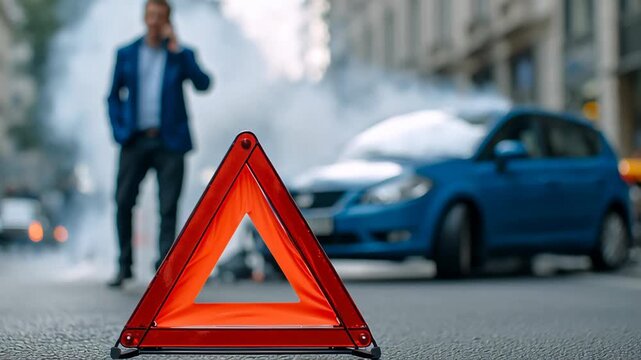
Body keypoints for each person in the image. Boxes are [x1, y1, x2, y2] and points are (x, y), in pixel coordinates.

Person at [106, 0, 212, 287]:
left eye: (160, 17)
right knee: (123, 201)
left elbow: (203, 84)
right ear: (144, 17)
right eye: (150, 15)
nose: (154, 21)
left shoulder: (181, 54)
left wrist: (178, 49)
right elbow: (113, 96)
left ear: (167, 20)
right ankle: (124, 265)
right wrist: (119, 131)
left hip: (170, 142)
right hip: (134, 141)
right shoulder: (126, 53)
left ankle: (164, 266)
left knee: (168, 205)